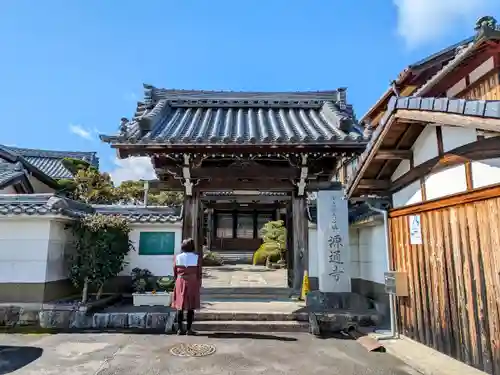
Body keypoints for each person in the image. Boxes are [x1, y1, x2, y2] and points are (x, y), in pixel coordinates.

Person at [172, 238, 202, 335]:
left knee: (180, 306)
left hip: (180, 280)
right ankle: (189, 329)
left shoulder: (177, 257)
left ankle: (180, 329)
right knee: (190, 307)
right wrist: (198, 283)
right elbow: (199, 273)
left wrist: (177, 280)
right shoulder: (196, 257)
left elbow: (175, 271)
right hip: (192, 281)